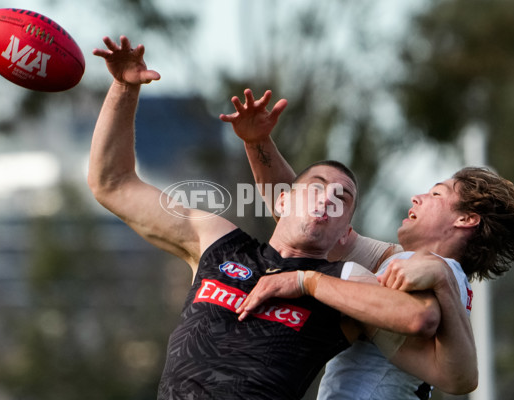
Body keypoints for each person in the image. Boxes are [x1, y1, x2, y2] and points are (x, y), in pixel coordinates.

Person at [89, 36, 460, 400]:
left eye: (342, 197)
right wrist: (123, 88)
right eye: (316, 186)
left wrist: (306, 282)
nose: (327, 197)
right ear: (282, 201)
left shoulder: (343, 281)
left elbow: (419, 319)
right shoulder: (219, 244)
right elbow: (112, 183)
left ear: (345, 232)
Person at [220, 89, 514, 399]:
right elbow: (305, 217)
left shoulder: (437, 270)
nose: (417, 197)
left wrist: (307, 282)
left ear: (466, 220)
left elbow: (459, 375)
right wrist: (257, 142)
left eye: (435, 194)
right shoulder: (410, 262)